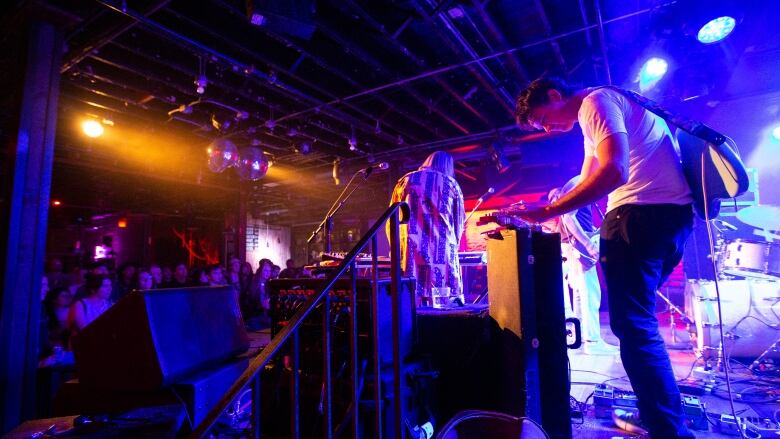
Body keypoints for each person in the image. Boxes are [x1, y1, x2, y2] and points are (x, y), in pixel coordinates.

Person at [514, 77, 694, 438]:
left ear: (554, 95)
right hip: (669, 219)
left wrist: (547, 211)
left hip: (639, 217)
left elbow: (614, 171)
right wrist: (545, 208)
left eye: (542, 119)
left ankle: (668, 429)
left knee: (635, 328)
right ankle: (659, 414)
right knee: (638, 323)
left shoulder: (595, 103)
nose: (547, 128)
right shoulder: (599, 111)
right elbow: (587, 178)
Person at [550, 178, 617, 355]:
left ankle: (583, 338)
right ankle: (592, 341)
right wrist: (588, 244)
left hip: (570, 245)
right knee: (590, 293)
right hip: (577, 246)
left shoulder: (580, 183)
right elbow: (568, 218)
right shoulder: (579, 183)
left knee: (581, 294)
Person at [388, 150, 465, 303]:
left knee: (410, 297)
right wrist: (453, 245)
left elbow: (392, 219)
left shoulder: (405, 180)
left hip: (411, 250)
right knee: (443, 301)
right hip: (441, 253)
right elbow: (458, 222)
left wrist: (396, 248)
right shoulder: (450, 183)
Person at [67, 274, 113, 345]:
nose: (110, 288)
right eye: (105, 286)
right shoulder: (80, 305)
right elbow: (85, 331)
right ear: (93, 289)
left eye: (110, 285)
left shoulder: (110, 305)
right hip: (83, 346)